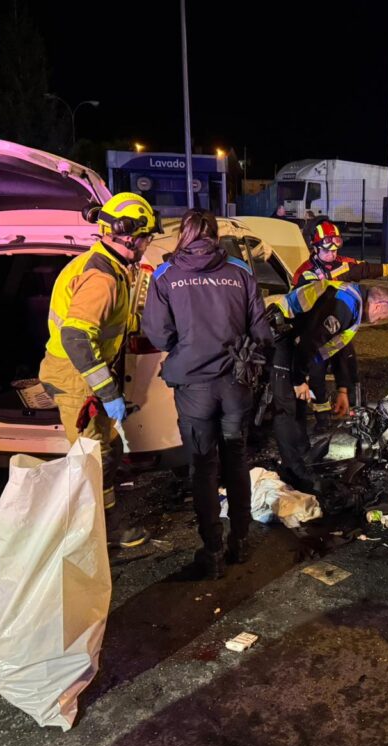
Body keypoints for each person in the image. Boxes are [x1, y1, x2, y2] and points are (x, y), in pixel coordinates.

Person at [142, 209, 272, 579]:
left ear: (183, 234)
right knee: (236, 458)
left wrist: (186, 349)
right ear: (214, 235)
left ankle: (212, 550)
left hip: (194, 385)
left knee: (202, 464)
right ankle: (241, 542)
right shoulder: (240, 271)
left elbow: (157, 332)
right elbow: (261, 331)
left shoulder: (167, 275)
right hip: (235, 383)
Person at [40, 192, 162, 548]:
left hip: (78, 370)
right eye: (145, 237)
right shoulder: (103, 279)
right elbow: (77, 336)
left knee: (104, 453)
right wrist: (107, 392)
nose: (146, 244)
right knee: (92, 461)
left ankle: (101, 524)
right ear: (129, 235)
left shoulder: (105, 265)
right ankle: (97, 536)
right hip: (75, 374)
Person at [270, 280, 388, 490]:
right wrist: (299, 380)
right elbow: (311, 340)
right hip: (281, 335)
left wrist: (342, 389)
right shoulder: (345, 305)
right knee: (285, 407)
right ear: (377, 305)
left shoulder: (353, 304)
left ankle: (303, 457)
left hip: (295, 340)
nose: (377, 323)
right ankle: (294, 471)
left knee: (300, 402)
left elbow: (337, 349)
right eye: (381, 317)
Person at [292, 219, 388, 429]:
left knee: (347, 355)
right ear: (315, 249)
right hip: (313, 328)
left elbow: (366, 269)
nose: (332, 256)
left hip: (335, 325)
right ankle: (321, 416)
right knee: (317, 368)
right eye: (327, 252)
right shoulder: (305, 274)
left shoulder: (342, 264)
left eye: (335, 251)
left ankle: (345, 397)